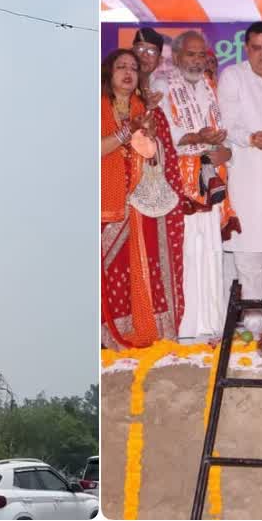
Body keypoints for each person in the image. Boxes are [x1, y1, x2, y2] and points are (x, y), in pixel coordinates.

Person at [152, 31, 239, 341]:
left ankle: (211, 323)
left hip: (210, 178)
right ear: (177, 58)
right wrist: (200, 138)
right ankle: (186, 325)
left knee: (212, 250)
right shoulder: (162, 87)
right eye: (191, 55)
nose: (197, 61)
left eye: (201, 55)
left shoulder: (209, 86)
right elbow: (168, 136)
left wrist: (222, 147)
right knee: (187, 251)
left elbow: (224, 135)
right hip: (180, 182)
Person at [101, 49, 186, 348]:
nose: (128, 73)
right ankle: (113, 338)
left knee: (149, 267)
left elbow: (165, 160)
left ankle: (151, 333)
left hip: (145, 207)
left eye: (133, 68)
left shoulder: (150, 113)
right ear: (109, 73)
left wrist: (151, 137)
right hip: (110, 207)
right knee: (113, 272)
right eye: (121, 67)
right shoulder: (97, 109)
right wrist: (128, 132)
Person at [218, 21, 262, 333]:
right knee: (247, 258)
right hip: (246, 175)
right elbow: (227, 122)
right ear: (247, 49)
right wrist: (251, 138)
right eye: (257, 48)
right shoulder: (233, 76)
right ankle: (253, 325)